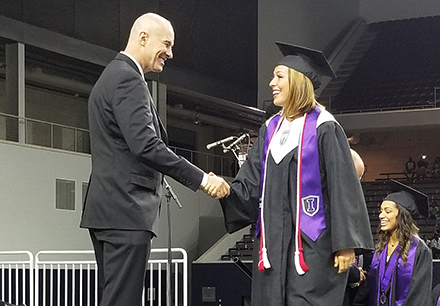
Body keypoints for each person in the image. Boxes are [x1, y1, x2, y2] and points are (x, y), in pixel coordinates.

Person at [80, 13, 229, 306]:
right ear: (143, 38)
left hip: (109, 210)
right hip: (126, 210)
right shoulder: (127, 79)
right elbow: (147, 146)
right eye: (167, 44)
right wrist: (202, 179)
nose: (171, 54)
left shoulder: (111, 75)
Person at [219, 42, 374, 306]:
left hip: (313, 247)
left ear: (299, 82)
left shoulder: (325, 127)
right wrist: (224, 188)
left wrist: (346, 243)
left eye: (279, 76)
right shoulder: (270, 130)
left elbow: (342, 185)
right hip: (273, 249)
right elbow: (251, 182)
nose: (271, 83)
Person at [369, 180, 432, 306]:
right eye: (381, 211)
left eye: (387, 211)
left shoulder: (419, 251)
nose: (381, 215)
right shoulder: (380, 248)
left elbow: (419, 296)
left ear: (402, 216)